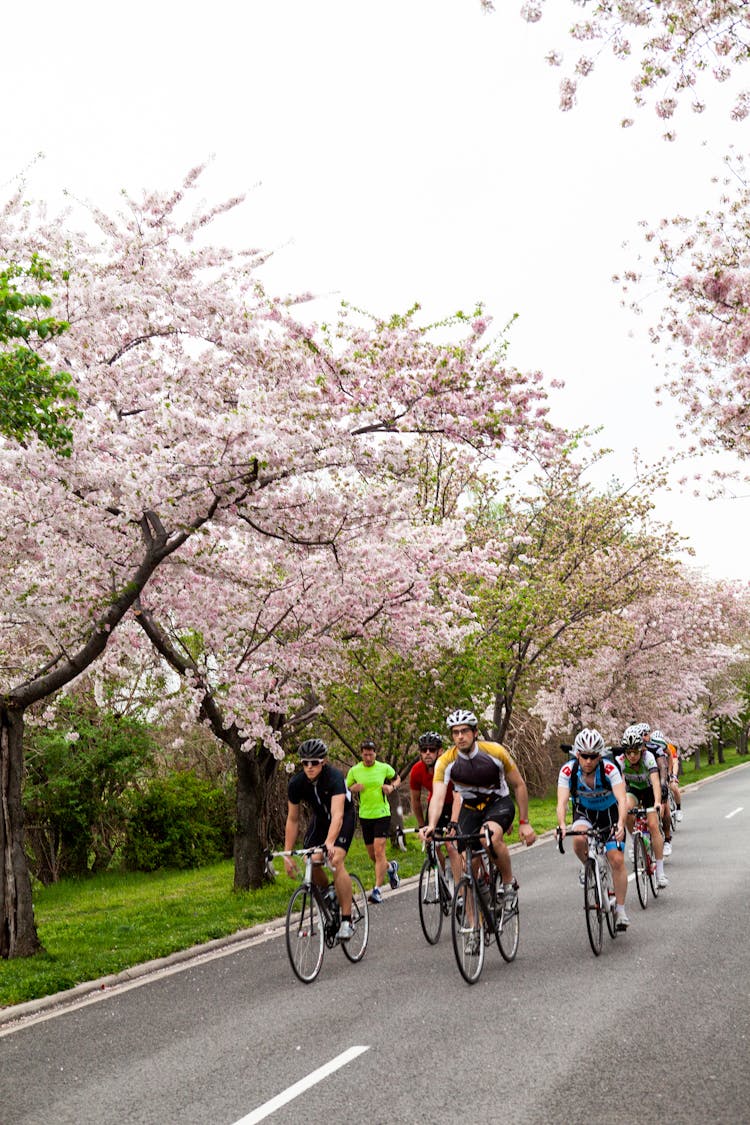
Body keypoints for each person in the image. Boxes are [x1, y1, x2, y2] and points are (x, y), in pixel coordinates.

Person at [420, 708, 536, 911]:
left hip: (498, 803)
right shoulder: (446, 761)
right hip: (470, 807)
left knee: (487, 836)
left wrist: (524, 823)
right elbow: (437, 797)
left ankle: (509, 883)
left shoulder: (495, 752)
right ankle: (478, 912)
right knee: (467, 862)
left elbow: (519, 785)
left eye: (464, 731)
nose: (460, 736)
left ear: (475, 732)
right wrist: (430, 825)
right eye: (455, 732)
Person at [557, 727, 631, 930]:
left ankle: (621, 911)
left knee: (616, 858)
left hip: (609, 812)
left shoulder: (609, 769)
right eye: (584, 756)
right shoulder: (568, 771)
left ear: (600, 756)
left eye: (593, 756)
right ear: (577, 754)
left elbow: (622, 799)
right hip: (585, 812)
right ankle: (587, 864)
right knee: (579, 838)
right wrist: (562, 824)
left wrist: (622, 824)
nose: (588, 761)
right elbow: (562, 802)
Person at [283, 738, 356, 940]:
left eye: (314, 762)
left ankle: (347, 920)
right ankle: (328, 893)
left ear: (323, 761)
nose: (309, 767)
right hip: (321, 820)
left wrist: (330, 843)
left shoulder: (334, 777)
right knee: (309, 860)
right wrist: (288, 854)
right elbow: (293, 819)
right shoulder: (296, 783)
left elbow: (338, 814)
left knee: (335, 860)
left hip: (343, 818)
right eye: (305, 763)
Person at [346, 738, 401, 903]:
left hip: (382, 814)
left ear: (375, 754)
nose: (368, 758)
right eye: (365, 755)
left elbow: (397, 778)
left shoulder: (383, 768)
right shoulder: (355, 771)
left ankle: (377, 890)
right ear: (361, 754)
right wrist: (352, 789)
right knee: (373, 855)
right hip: (365, 816)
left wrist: (391, 787)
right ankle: (391, 868)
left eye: (370, 754)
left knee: (379, 852)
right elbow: (345, 787)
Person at [409, 730, 462, 887]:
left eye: (431, 750)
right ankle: (443, 876)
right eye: (423, 750)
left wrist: (454, 821)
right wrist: (421, 825)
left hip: (455, 804)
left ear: (440, 751)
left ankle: (460, 887)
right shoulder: (417, 771)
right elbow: (415, 800)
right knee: (432, 843)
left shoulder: (450, 766)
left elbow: (458, 795)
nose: (427, 753)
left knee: (451, 845)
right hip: (435, 806)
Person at [617, 728, 668, 887]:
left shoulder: (648, 758)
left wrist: (658, 802)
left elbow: (655, 782)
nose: (632, 756)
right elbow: (617, 786)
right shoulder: (620, 761)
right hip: (633, 790)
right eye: (629, 752)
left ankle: (660, 872)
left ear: (642, 749)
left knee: (653, 825)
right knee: (624, 809)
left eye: (636, 752)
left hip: (649, 792)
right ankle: (635, 840)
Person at [651, 728, 683, 824]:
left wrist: (673, 775)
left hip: (669, 769)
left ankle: (678, 809)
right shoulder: (651, 748)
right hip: (659, 771)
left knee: (673, 787)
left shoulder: (669, 747)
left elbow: (674, 762)